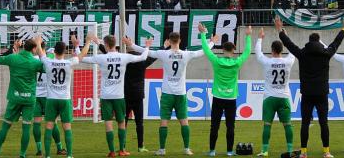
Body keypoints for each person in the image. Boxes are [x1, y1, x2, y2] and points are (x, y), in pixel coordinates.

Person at [125, 31, 216, 156]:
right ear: (179, 40)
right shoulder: (186, 54)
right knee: (184, 121)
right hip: (180, 93)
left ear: (169, 40)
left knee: (164, 121)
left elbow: (146, 52)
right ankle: (186, 148)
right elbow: (202, 51)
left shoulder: (164, 53)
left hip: (167, 93)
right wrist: (212, 42)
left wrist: (132, 45)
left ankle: (162, 149)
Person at [279, 15, 344, 158]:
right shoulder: (326, 53)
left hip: (306, 93)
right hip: (322, 93)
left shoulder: (302, 53)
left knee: (305, 123)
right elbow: (337, 42)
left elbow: (288, 44)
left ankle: (304, 153)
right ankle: (326, 152)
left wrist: (280, 30)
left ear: (309, 41)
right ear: (319, 41)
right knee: (324, 123)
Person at [80, 34, 151, 157]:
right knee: (121, 122)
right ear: (115, 44)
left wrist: (81, 45)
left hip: (106, 96)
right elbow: (143, 57)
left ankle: (112, 151)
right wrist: (147, 46)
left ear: (106, 45)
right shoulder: (124, 57)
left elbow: (81, 58)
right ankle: (122, 150)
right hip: (119, 96)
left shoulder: (101, 58)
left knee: (108, 122)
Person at [200, 22, 252, 157]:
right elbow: (247, 52)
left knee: (214, 126)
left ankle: (212, 151)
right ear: (233, 50)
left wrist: (203, 34)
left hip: (218, 97)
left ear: (223, 49)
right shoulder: (237, 62)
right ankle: (229, 151)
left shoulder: (216, 61)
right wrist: (248, 36)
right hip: (231, 98)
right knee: (230, 126)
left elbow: (205, 49)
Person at [37, 35, 91, 158]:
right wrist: (87, 42)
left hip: (51, 99)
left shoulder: (48, 62)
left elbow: (41, 54)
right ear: (65, 51)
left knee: (49, 126)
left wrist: (39, 42)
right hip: (64, 99)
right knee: (67, 127)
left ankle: (47, 156)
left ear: (54, 51)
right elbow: (82, 56)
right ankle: (70, 155)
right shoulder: (69, 62)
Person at [0, 38, 45, 158]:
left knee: (5, 126)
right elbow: (46, 68)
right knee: (26, 127)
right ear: (34, 49)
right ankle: (22, 154)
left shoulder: (13, 58)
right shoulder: (35, 62)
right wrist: (41, 51)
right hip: (29, 99)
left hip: (15, 98)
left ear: (24, 47)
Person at [255, 18, 296, 157]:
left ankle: (265, 151)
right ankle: (290, 150)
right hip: (284, 97)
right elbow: (292, 49)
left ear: (272, 50)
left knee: (267, 125)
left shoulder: (267, 61)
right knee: (287, 125)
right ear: (282, 49)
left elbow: (258, 53)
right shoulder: (289, 61)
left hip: (269, 98)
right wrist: (284, 33)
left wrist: (260, 38)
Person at [33, 41, 66, 156]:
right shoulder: (49, 60)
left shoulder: (32, 60)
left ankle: (39, 150)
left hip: (35, 96)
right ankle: (59, 148)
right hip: (48, 96)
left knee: (36, 123)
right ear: (44, 48)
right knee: (53, 123)